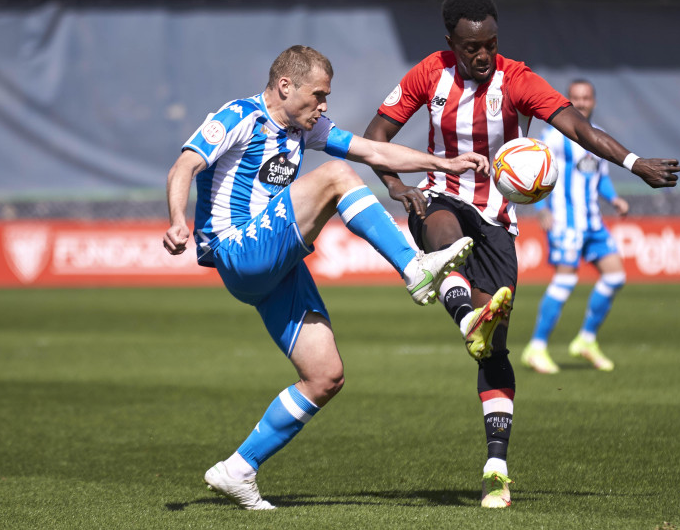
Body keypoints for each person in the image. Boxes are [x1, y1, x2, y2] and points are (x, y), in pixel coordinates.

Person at [363, 0, 680, 508]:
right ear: (451, 44)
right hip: (439, 196)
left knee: (495, 352)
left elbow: (575, 124)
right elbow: (376, 135)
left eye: (490, 43)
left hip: (499, 220)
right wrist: (397, 186)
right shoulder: (428, 73)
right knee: (445, 234)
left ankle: (495, 469)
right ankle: (468, 316)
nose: (483, 55)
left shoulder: (518, 79)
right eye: (471, 47)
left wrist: (633, 161)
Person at [163, 45, 489, 511]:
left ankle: (239, 469)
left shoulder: (304, 129)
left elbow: (373, 149)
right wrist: (177, 218)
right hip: (237, 248)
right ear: (284, 86)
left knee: (325, 376)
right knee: (336, 174)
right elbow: (185, 164)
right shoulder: (240, 116)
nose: (324, 105)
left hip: (276, 267)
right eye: (318, 94)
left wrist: (444, 165)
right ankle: (414, 268)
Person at [522, 80, 629, 375]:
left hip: (593, 222)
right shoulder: (555, 136)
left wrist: (614, 198)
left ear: (594, 101)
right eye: (576, 98)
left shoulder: (600, 137)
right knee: (565, 281)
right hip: (565, 222)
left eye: (586, 98)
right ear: (568, 101)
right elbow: (535, 173)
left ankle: (586, 339)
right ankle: (537, 347)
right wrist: (542, 210)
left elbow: (600, 175)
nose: (581, 103)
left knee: (616, 275)